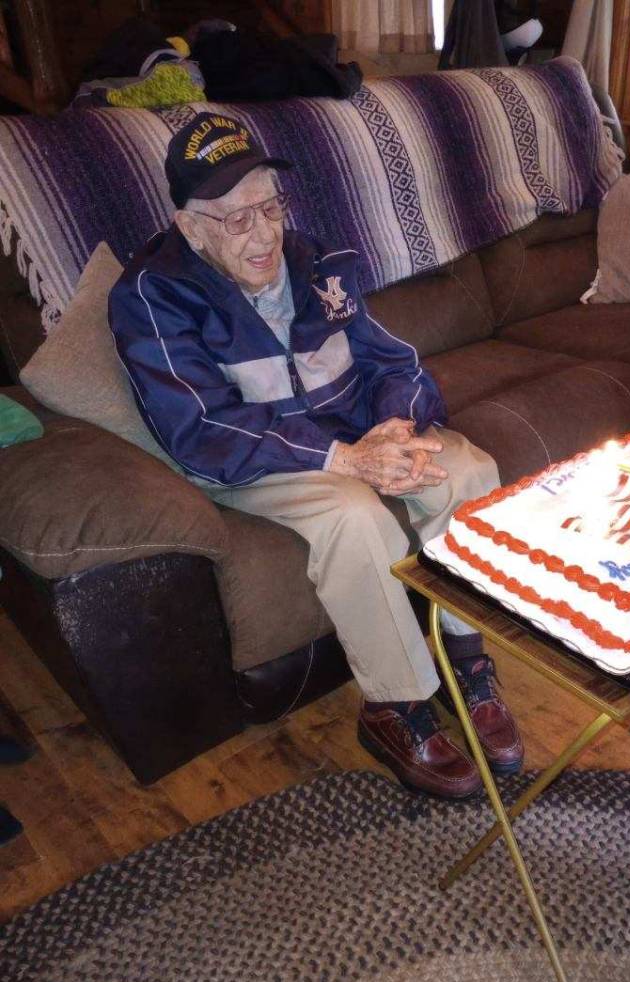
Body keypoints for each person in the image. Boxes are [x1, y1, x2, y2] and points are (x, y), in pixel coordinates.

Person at [109, 112, 524, 800]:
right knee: (356, 517)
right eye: (237, 219)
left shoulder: (313, 261)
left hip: (352, 435)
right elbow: (201, 426)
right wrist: (345, 460)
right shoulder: (152, 296)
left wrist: (398, 426)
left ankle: (465, 658)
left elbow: (391, 359)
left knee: (468, 469)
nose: (266, 233)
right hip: (250, 459)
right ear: (190, 226)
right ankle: (398, 705)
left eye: (270, 207)